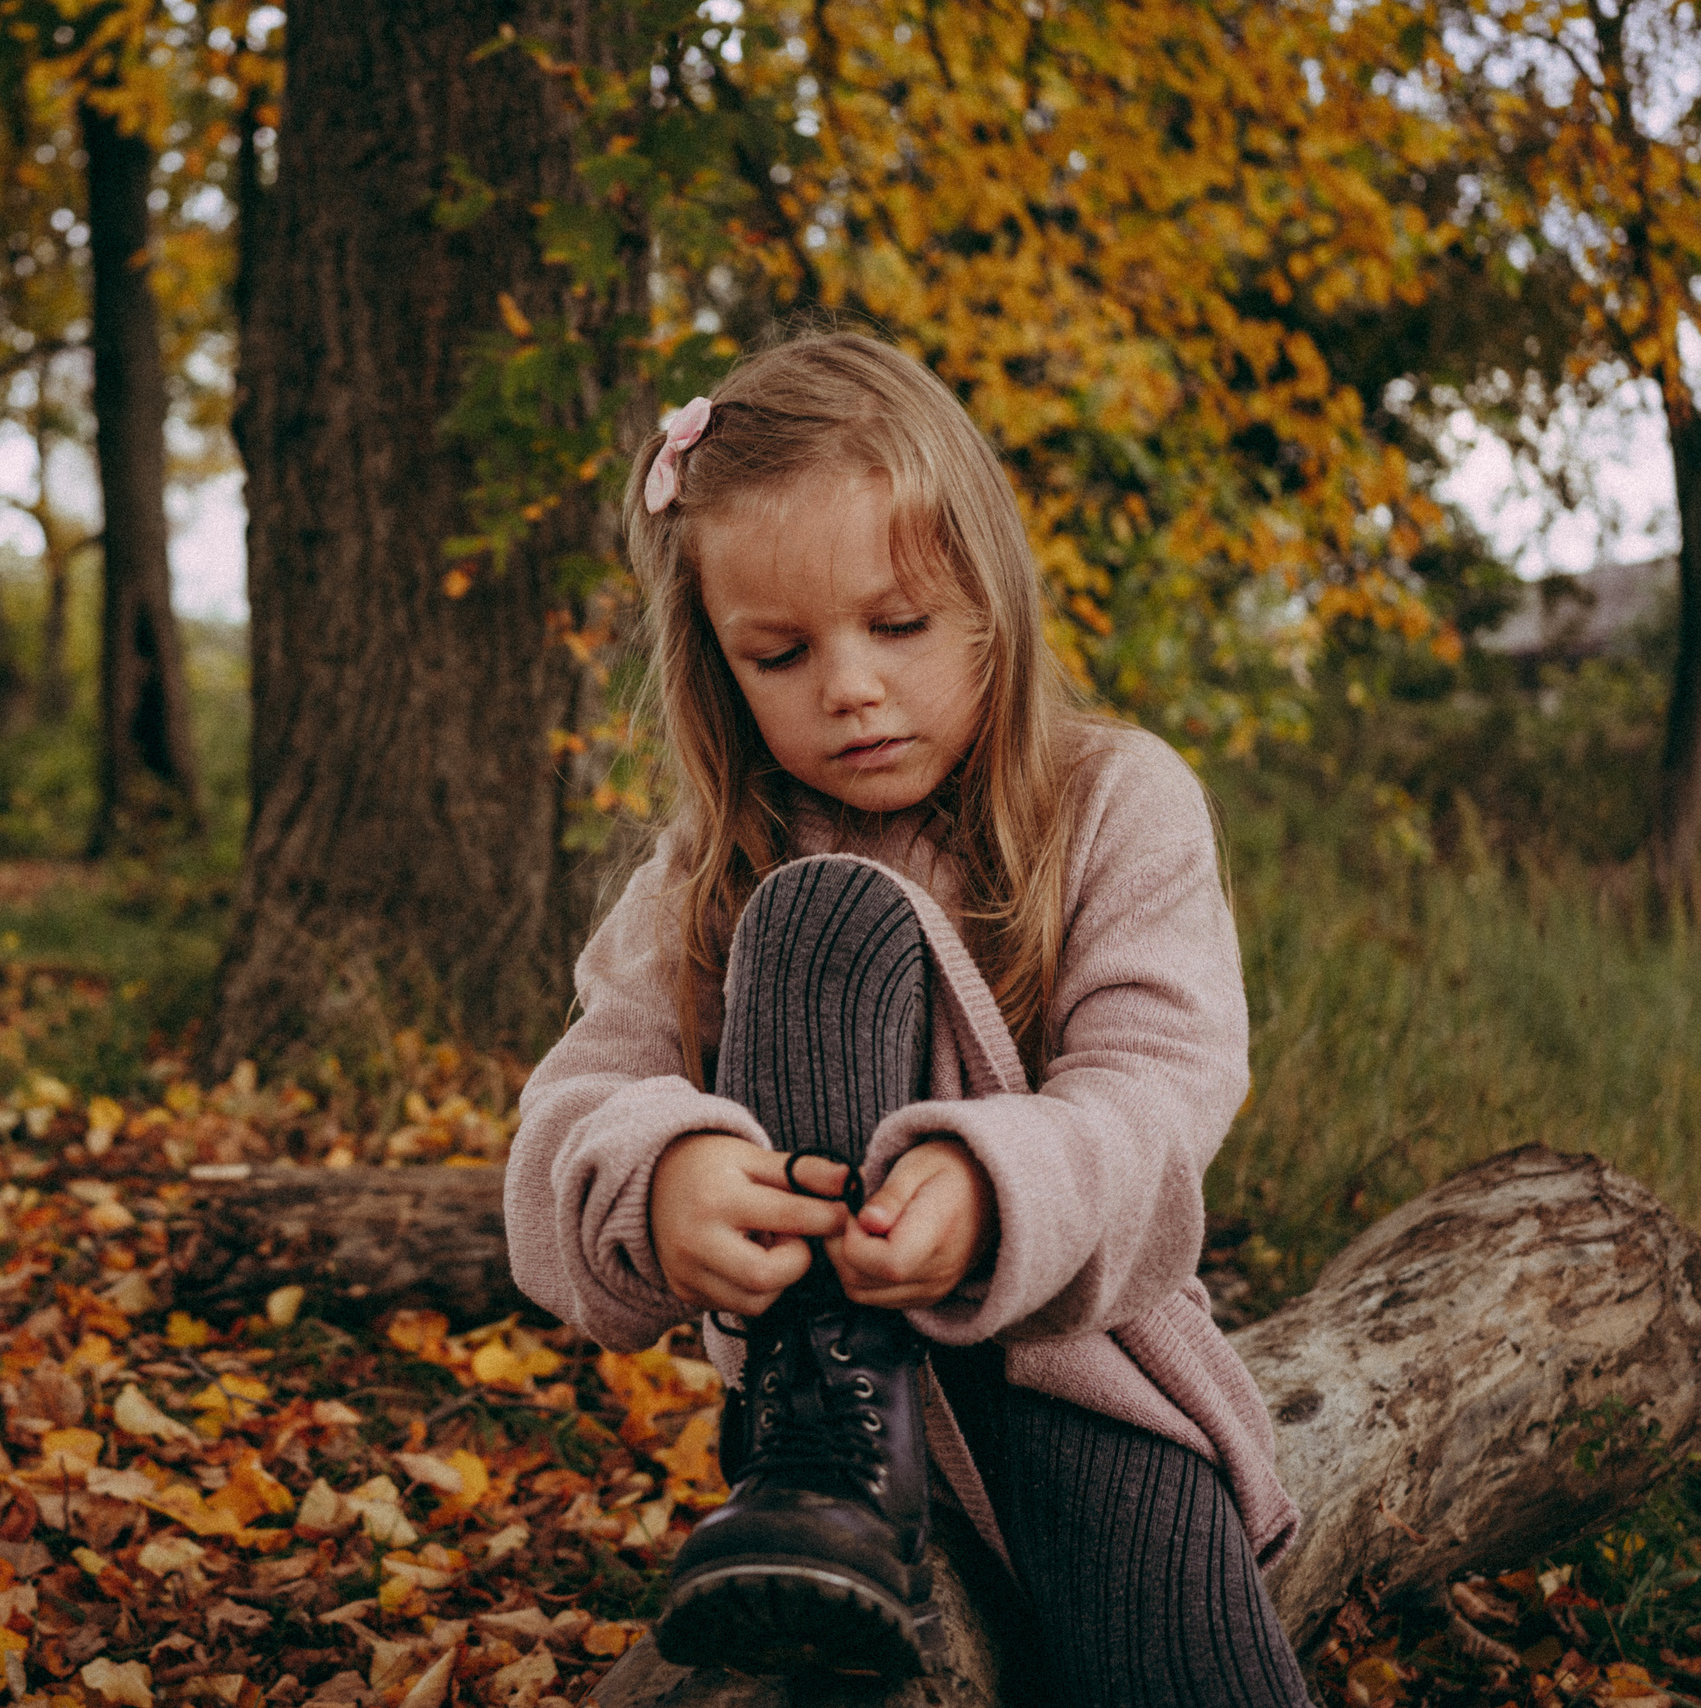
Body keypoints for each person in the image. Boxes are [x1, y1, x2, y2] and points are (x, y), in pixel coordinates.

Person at [503, 334, 1309, 1706]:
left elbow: (1161, 1094)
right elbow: (561, 1121)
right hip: (829, 1461)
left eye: (900, 625)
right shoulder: (701, 871)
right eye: (781, 652)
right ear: (718, 664)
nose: (849, 686)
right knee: (817, 912)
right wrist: (664, 1173)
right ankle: (825, 1453)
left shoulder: (1115, 802)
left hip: (1081, 1385)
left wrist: (994, 1188)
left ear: (992, 599)